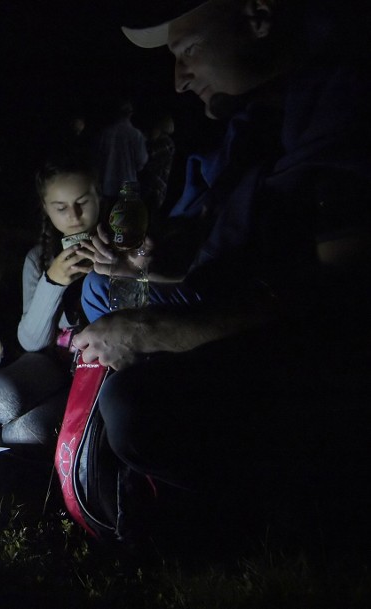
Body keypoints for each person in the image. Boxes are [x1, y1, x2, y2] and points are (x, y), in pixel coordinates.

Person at [73, 0, 371, 534]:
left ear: (257, 17)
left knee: (136, 409)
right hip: (264, 296)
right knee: (100, 292)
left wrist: (156, 332)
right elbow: (220, 244)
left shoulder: (346, 109)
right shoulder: (261, 115)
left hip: (329, 357)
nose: (180, 80)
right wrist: (146, 266)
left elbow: (333, 303)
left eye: (188, 51)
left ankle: (294, 518)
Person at [0, 155, 99, 445]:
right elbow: (31, 342)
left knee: (22, 432)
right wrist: (53, 281)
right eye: (61, 208)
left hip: (97, 371)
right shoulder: (39, 258)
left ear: (99, 195)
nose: (74, 216)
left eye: (83, 202)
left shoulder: (116, 253)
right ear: (46, 209)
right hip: (51, 364)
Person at [94, 97, 149, 203]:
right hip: (129, 184)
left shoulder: (105, 133)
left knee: (110, 216)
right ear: (130, 114)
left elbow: (97, 160)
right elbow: (142, 160)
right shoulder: (136, 134)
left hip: (108, 185)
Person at [139, 111, 176, 216]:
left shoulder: (166, 143)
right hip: (148, 189)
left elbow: (146, 157)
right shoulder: (156, 142)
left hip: (155, 191)